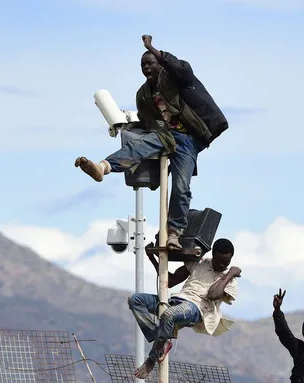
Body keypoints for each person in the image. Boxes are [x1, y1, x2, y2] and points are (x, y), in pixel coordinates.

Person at [75, 35, 228, 251]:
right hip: (165, 136)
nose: (146, 67)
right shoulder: (143, 94)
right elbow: (147, 121)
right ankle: (103, 167)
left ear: (159, 64)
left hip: (188, 139)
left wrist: (154, 49)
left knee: (181, 187)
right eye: (143, 64)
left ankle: (174, 233)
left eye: (150, 63)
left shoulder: (175, 79)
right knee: (138, 146)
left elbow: (182, 70)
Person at [129, 238, 240, 378]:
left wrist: (229, 274)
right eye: (219, 261)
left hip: (196, 309)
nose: (222, 265)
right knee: (135, 300)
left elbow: (212, 295)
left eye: (227, 262)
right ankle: (158, 337)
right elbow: (171, 281)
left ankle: (152, 359)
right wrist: (152, 257)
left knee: (168, 315)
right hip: (177, 301)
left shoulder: (230, 281)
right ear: (213, 255)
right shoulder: (199, 263)